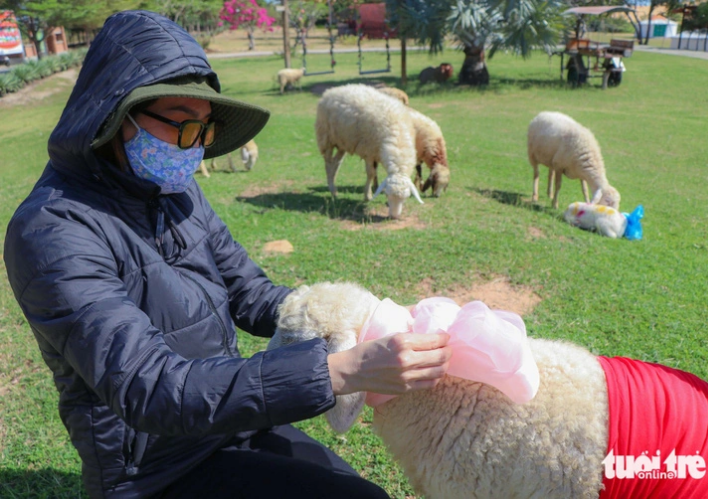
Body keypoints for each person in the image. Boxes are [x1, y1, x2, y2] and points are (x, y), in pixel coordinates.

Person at [3, 10, 451, 499]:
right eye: (181, 128)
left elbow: (250, 292)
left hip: (233, 421)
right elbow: (148, 386)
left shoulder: (173, 189)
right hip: (154, 472)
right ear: (117, 116)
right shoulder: (50, 232)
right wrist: (339, 370)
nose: (195, 151)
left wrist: (362, 320)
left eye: (205, 130)